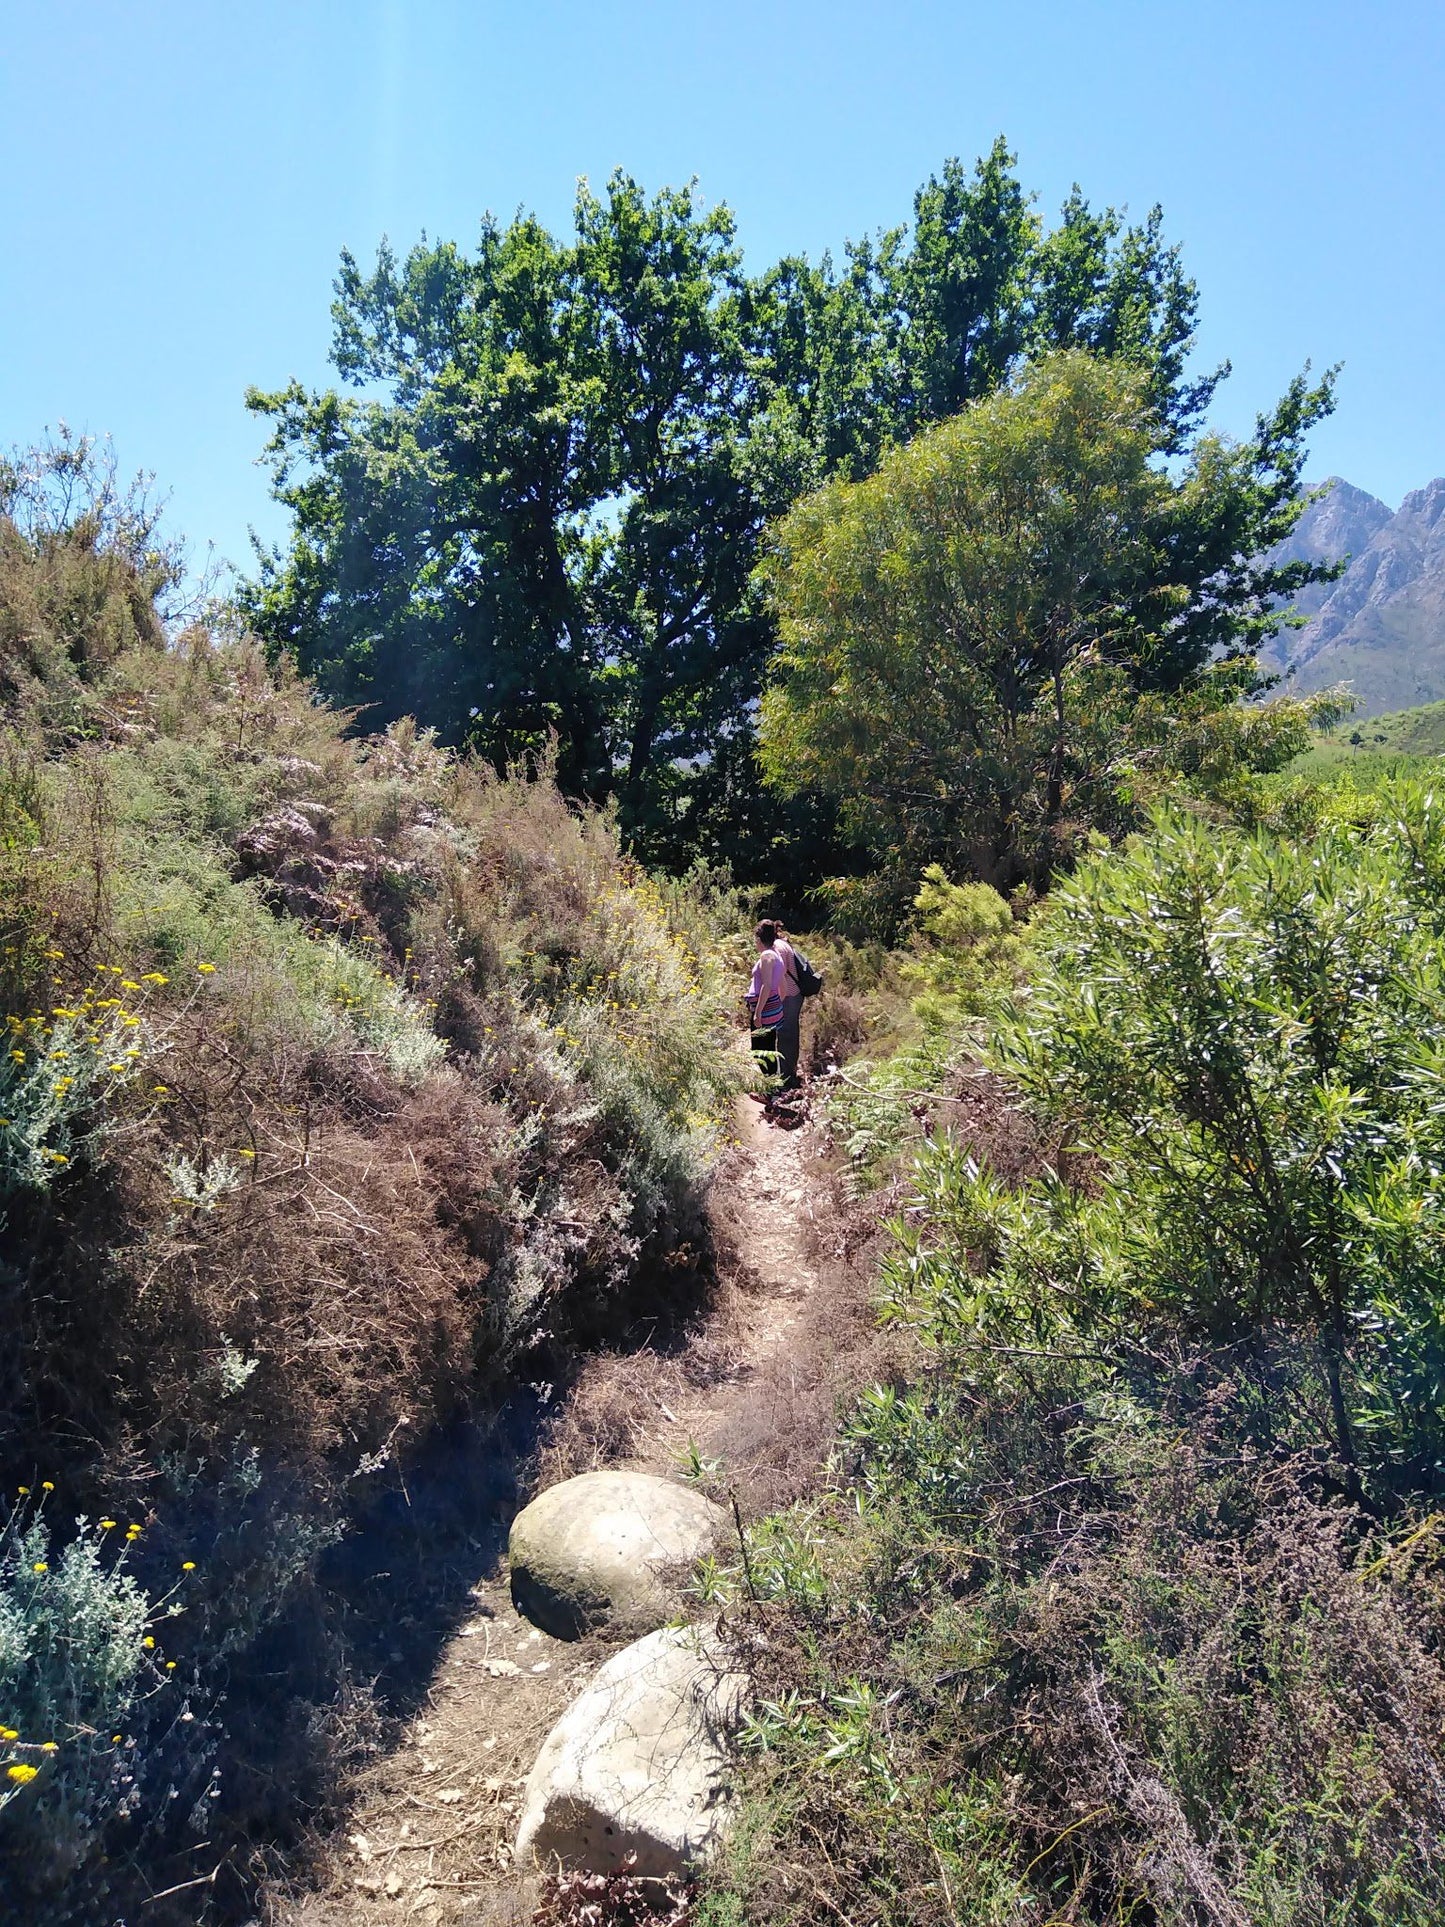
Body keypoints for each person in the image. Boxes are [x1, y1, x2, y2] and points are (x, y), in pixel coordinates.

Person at [747, 918, 803, 1092]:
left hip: (765, 1009)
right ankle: (779, 1084)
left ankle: (773, 1089)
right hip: (775, 1006)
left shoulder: (768, 955)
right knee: (770, 1046)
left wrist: (759, 1012)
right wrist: (778, 1003)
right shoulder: (777, 952)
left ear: (758, 939)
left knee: (761, 1050)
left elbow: (767, 985)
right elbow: (783, 986)